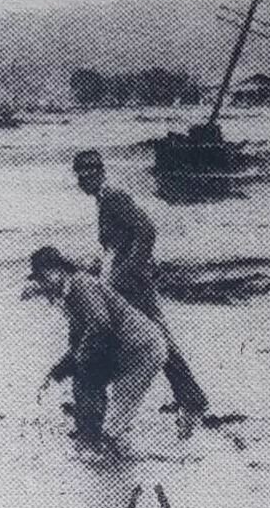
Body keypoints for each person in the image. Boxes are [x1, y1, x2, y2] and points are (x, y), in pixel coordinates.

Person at [72, 149, 208, 436]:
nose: (84, 180)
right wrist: (102, 264)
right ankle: (187, 397)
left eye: (89, 174)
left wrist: (127, 270)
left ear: (100, 173)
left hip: (133, 285)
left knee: (158, 342)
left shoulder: (113, 197)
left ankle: (190, 398)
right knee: (155, 340)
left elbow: (146, 230)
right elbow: (123, 240)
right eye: (80, 175)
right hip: (125, 282)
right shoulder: (104, 200)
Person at [23, 246, 168, 449]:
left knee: (118, 413)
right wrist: (59, 370)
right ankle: (88, 432)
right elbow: (78, 342)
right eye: (39, 279)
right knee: (85, 377)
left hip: (143, 349)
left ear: (58, 270)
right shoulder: (68, 295)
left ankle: (101, 444)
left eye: (44, 276)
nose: (42, 283)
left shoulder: (82, 285)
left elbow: (100, 325)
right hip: (121, 346)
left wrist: (81, 357)